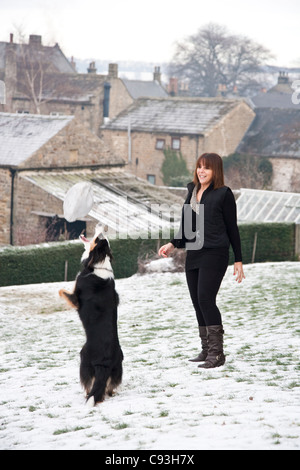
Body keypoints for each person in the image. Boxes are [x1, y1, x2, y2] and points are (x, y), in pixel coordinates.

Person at [158, 153, 245, 369]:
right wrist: (172, 244)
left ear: (216, 171)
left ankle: (217, 354)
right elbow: (187, 225)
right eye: (199, 167)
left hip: (215, 252)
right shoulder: (193, 191)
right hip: (194, 252)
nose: (201, 171)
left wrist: (239, 260)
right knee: (197, 302)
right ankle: (206, 350)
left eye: (207, 168)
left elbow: (232, 228)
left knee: (206, 298)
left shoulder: (223, 194)